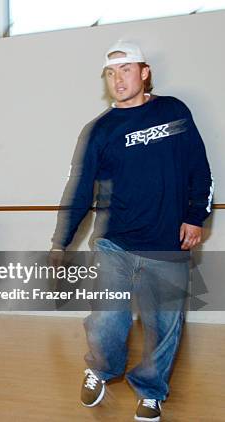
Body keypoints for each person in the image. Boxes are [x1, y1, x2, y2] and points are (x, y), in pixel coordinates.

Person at [51, 41, 213, 421]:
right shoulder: (99, 130)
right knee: (108, 317)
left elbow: (200, 170)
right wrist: (61, 240)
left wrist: (195, 217)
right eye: (110, 72)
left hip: (167, 245)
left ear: (144, 73)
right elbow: (80, 188)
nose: (117, 79)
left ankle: (151, 391)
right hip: (115, 244)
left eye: (126, 70)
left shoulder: (174, 112)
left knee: (163, 326)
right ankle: (101, 370)